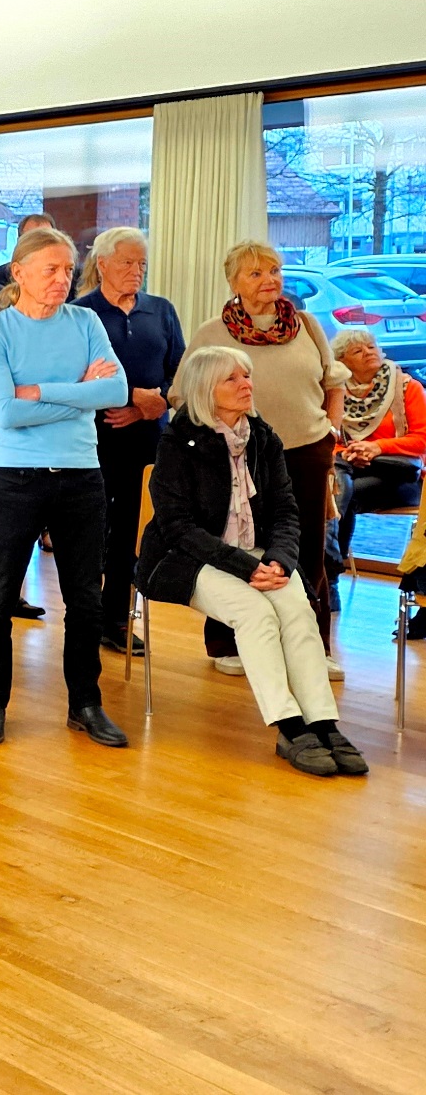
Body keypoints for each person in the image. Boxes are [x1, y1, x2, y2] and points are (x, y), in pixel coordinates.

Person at [137, 347, 364, 777]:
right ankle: (289, 726)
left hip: (257, 555)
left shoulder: (262, 437)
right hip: (188, 557)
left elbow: (285, 511)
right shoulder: (178, 441)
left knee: (298, 608)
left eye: (247, 375)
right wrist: (244, 567)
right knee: (255, 613)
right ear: (206, 388)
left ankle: (323, 722)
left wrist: (279, 560)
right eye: (233, 378)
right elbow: (177, 526)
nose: (247, 384)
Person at [0, 227, 130, 748]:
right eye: (50, 270)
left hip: (81, 474)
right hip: (16, 477)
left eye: (68, 270)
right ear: (18, 273)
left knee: (85, 600)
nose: (63, 279)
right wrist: (80, 392)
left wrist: (41, 391)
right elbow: (7, 413)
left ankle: (85, 703)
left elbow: (117, 391)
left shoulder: (86, 321)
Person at [184, 240, 345, 677]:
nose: (269, 280)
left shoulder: (307, 325)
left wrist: (331, 429)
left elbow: (334, 382)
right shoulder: (212, 333)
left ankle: (313, 646)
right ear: (233, 282)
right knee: (237, 545)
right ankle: (228, 642)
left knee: (309, 549)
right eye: (255, 273)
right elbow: (185, 394)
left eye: (273, 271)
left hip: (306, 451)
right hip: (240, 455)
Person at [72, 227, 183, 655]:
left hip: (147, 440)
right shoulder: (80, 313)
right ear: (102, 264)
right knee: (90, 531)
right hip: (93, 440)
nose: (137, 271)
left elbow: (180, 373)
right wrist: (129, 396)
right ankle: (84, 617)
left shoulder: (161, 311)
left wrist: (148, 405)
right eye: (127, 262)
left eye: (142, 264)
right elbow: (72, 377)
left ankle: (116, 618)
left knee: (130, 533)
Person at [330, 327, 426, 565]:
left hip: (403, 476)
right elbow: (327, 438)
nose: (367, 352)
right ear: (342, 362)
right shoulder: (335, 393)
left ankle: (329, 568)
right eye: (357, 351)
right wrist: (351, 452)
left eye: (371, 347)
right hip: (352, 467)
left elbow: (422, 439)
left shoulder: (407, 388)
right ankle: (329, 566)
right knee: (334, 486)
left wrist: (377, 448)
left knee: (343, 494)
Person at [0, 213, 55, 288]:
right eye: (32, 238)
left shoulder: (63, 277)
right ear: (20, 242)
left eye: (45, 238)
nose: (38, 244)